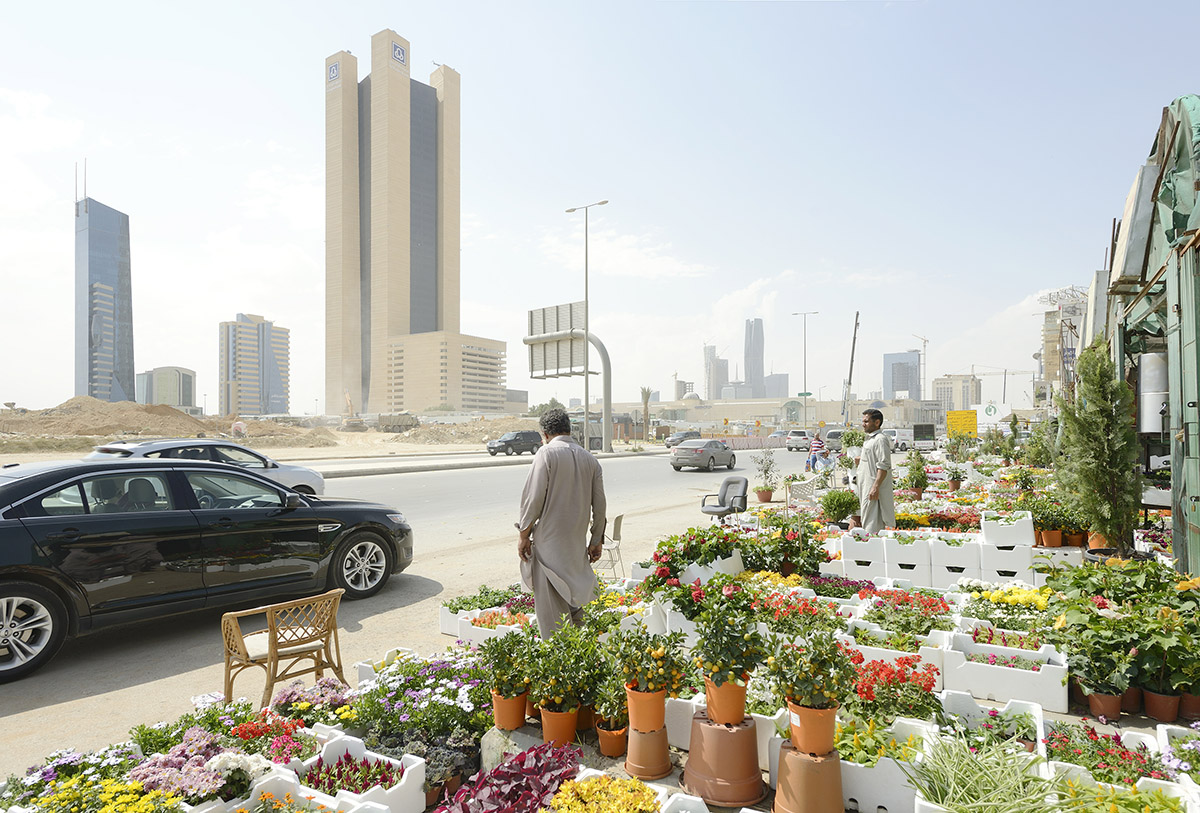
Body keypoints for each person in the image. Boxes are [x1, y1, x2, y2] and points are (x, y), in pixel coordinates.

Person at [517, 408, 607, 638]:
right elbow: (600, 507)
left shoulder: (546, 454)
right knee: (576, 613)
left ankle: (562, 668)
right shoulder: (591, 460)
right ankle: (582, 664)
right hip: (576, 550)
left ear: (545, 434)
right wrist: (596, 541)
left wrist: (524, 535)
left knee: (553, 625)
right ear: (568, 429)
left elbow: (533, 498)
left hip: (549, 551)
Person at [855, 408, 895, 534]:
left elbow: (883, 465)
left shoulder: (880, 439)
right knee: (868, 517)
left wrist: (875, 486)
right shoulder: (870, 439)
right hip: (865, 486)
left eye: (866, 421)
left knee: (873, 521)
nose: (863, 424)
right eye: (863, 421)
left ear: (877, 422)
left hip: (872, 487)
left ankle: (871, 545)